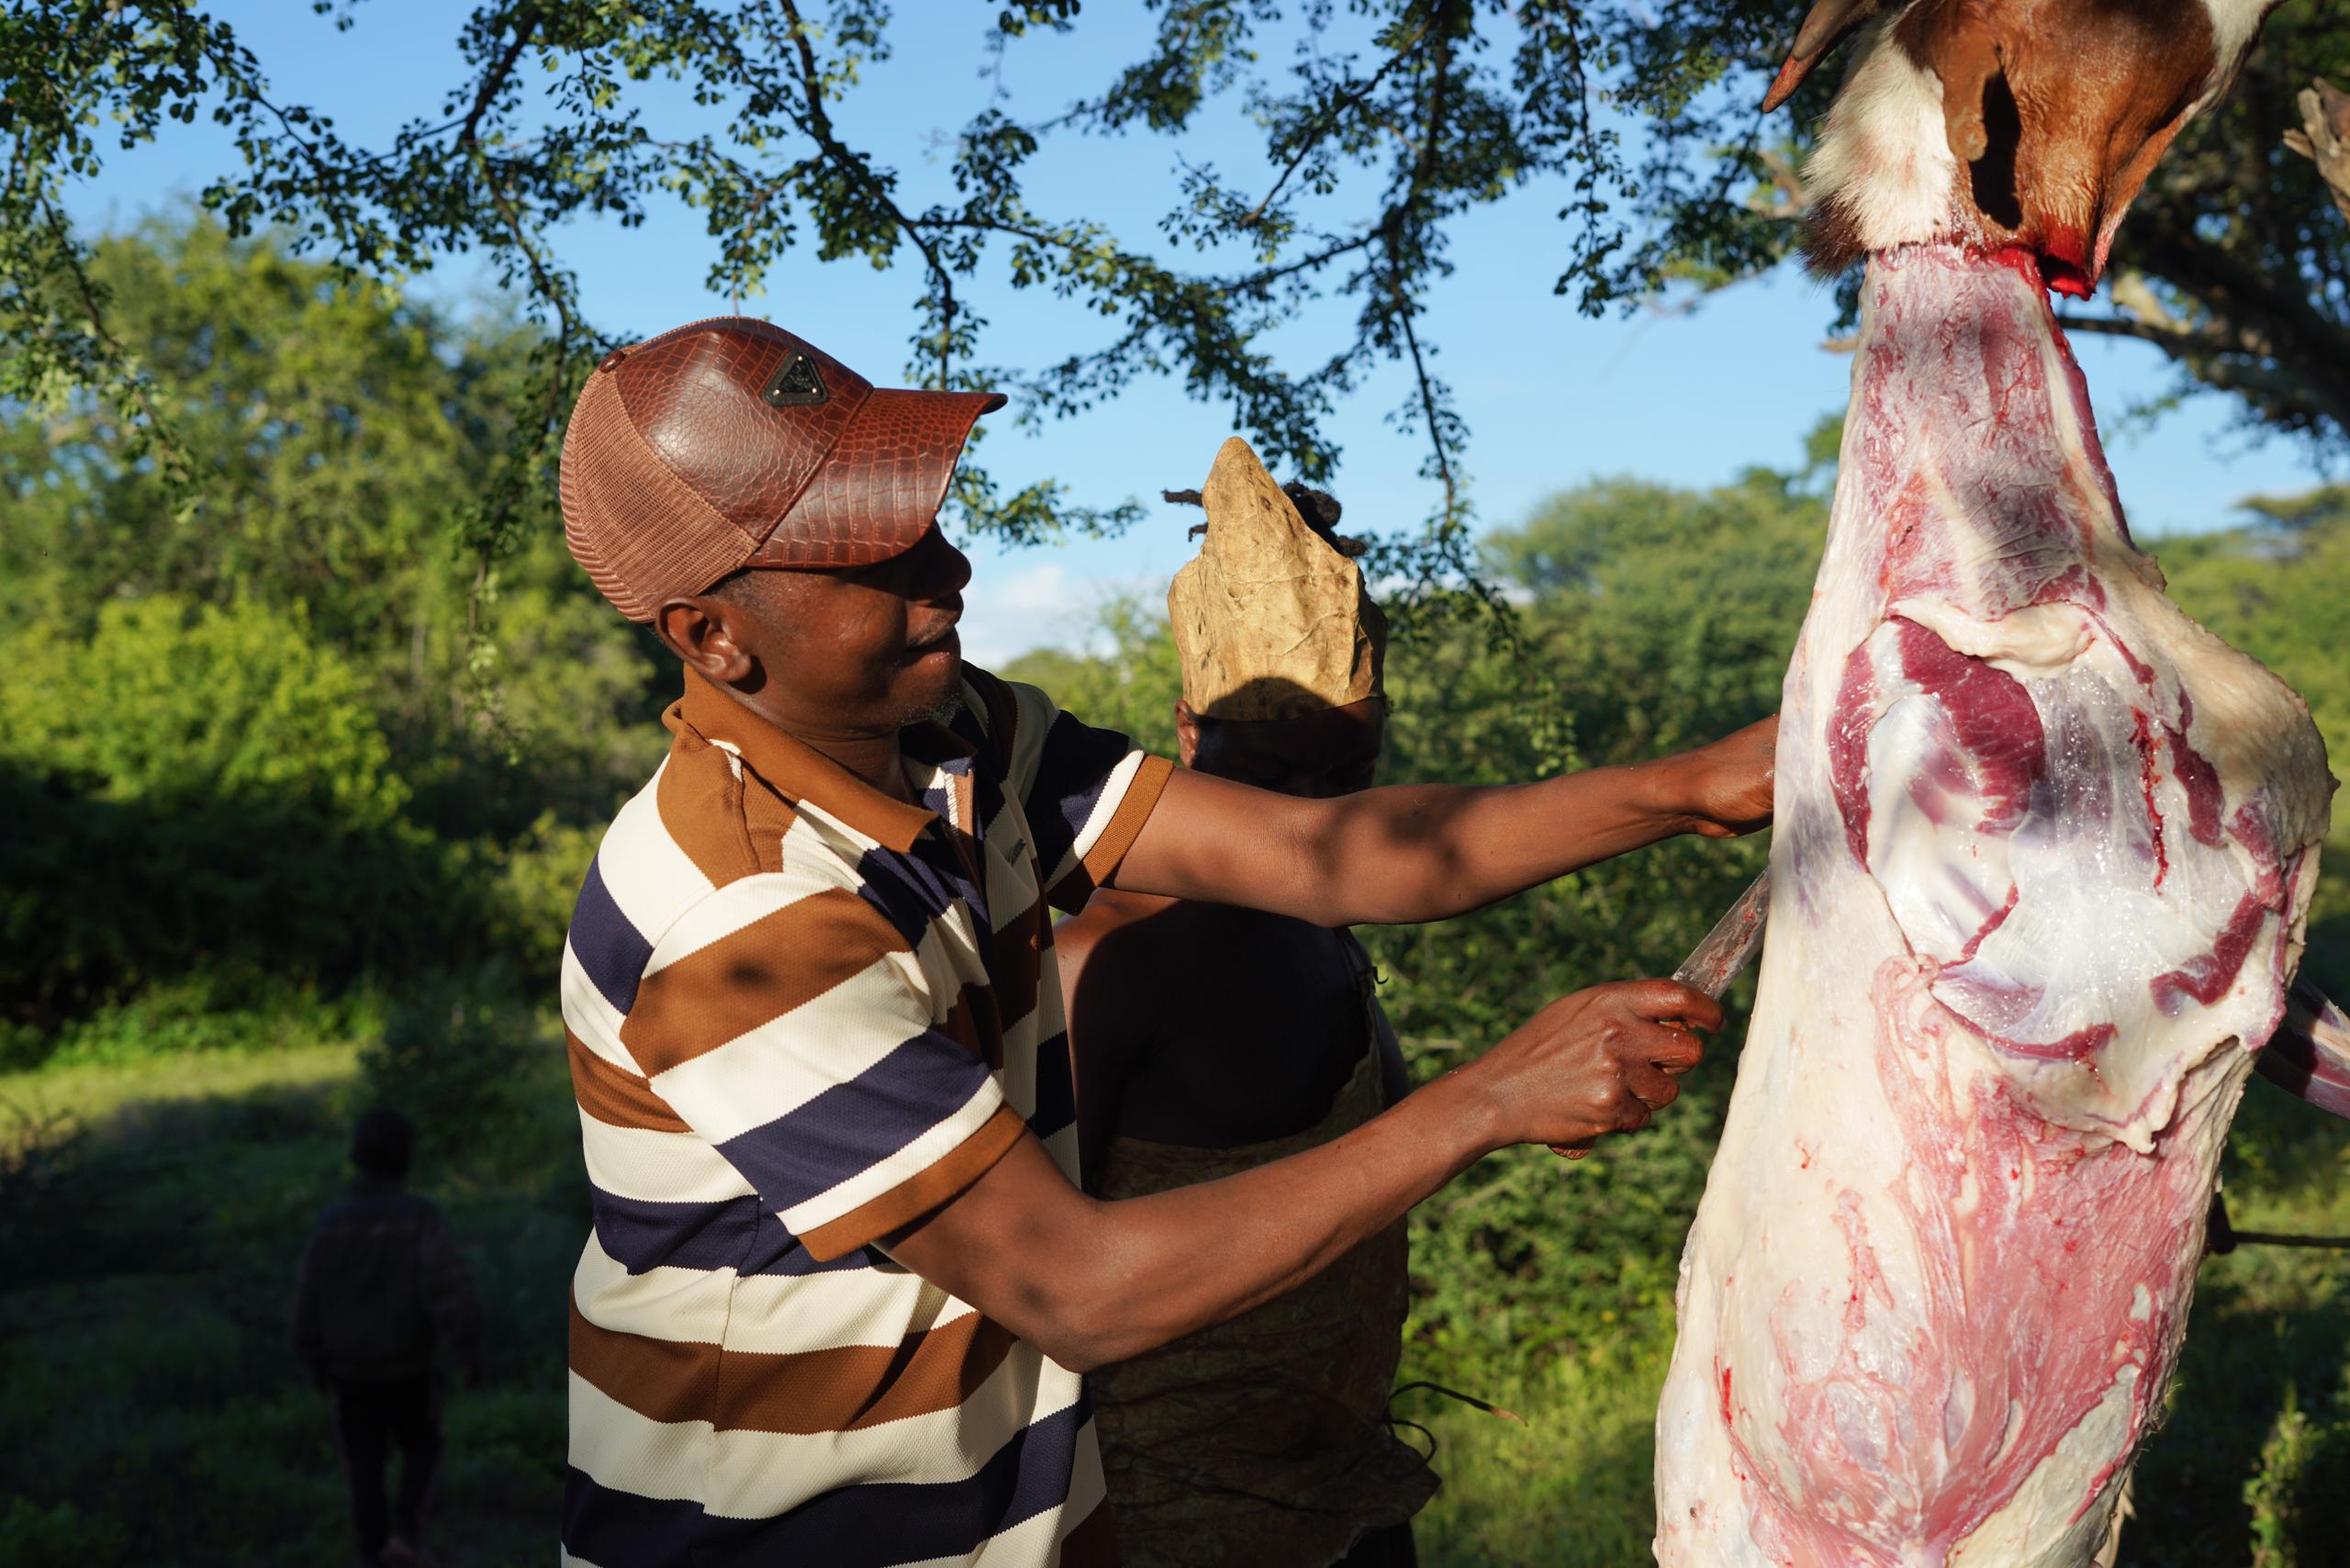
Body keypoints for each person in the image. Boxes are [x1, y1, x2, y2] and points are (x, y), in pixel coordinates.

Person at [552, 317, 1774, 1567]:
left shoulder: (953, 744)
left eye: (926, 522)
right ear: (711, 635)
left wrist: (1695, 787)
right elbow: (1074, 1286)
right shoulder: (742, 920)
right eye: (872, 555)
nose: (949, 568)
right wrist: (1492, 1098)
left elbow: (1319, 856)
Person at [1053, 442, 1427, 1568]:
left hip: (1349, 1497)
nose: (1314, 820)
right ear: (1184, 732)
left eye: (1346, 777)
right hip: (1162, 1527)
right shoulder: (1104, 959)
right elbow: (1032, 1295)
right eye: (1272, 780)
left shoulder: (1326, 918)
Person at [294, 1108, 480, 1568]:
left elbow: (308, 1297)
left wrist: (314, 1360)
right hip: (409, 1369)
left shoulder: (331, 1223)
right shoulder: (419, 1218)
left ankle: (373, 1552)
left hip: (349, 1373)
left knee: (363, 1465)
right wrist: (466, 1352)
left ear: (356, 1157)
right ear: (407, 1158)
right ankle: (406, 1534)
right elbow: (448, 1291)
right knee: (423, 1447)